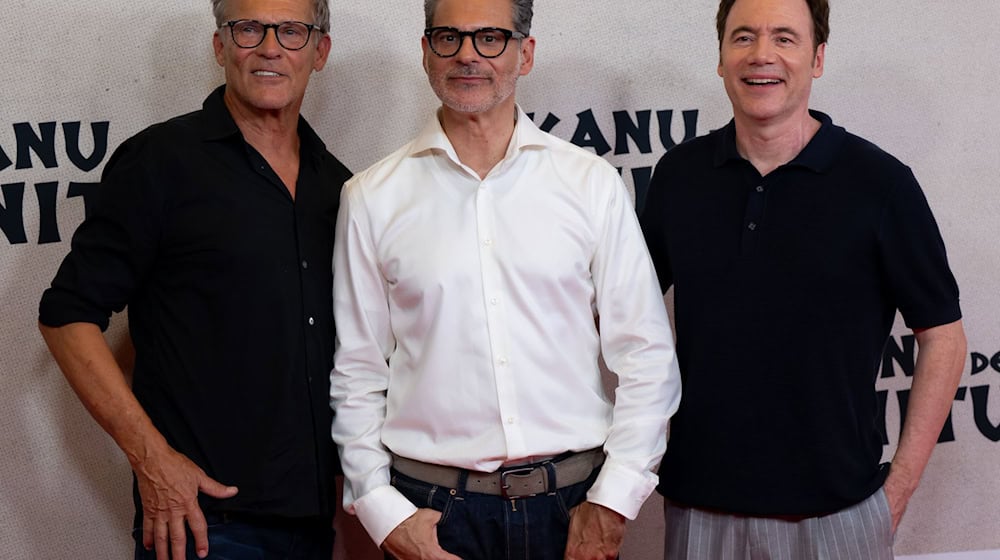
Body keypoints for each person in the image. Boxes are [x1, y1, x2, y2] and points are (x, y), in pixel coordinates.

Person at [329, 0, 682, 558]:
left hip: (571, 509)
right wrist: (379, 508)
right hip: (431, 510)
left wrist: (614, 502)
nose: (468, 55)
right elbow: (357, 371)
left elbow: (645, 355)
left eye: (491, 37)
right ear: (426, 52)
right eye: (449, 37)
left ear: (526, 53)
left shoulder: (589, 184)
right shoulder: (372, 196)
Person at [639, 0, 967, 558]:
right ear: (720, 58)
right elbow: (624, 316)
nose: (762, 55)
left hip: (840, 516)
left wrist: (897, 493)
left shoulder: (881, 184)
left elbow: (944, 337)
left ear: (817, 58)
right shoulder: (678, 176)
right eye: (743, 37)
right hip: (699, 512)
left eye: (784, 38)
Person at [37, 0, 350, 558]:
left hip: (314, 524)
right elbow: (66, 316)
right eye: (249, 27)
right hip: (203, 526)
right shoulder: (160, 161)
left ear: (320, 51)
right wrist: (152, 460)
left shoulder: (341, 187)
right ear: (220, 45)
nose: (270, 47)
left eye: (293, 31)